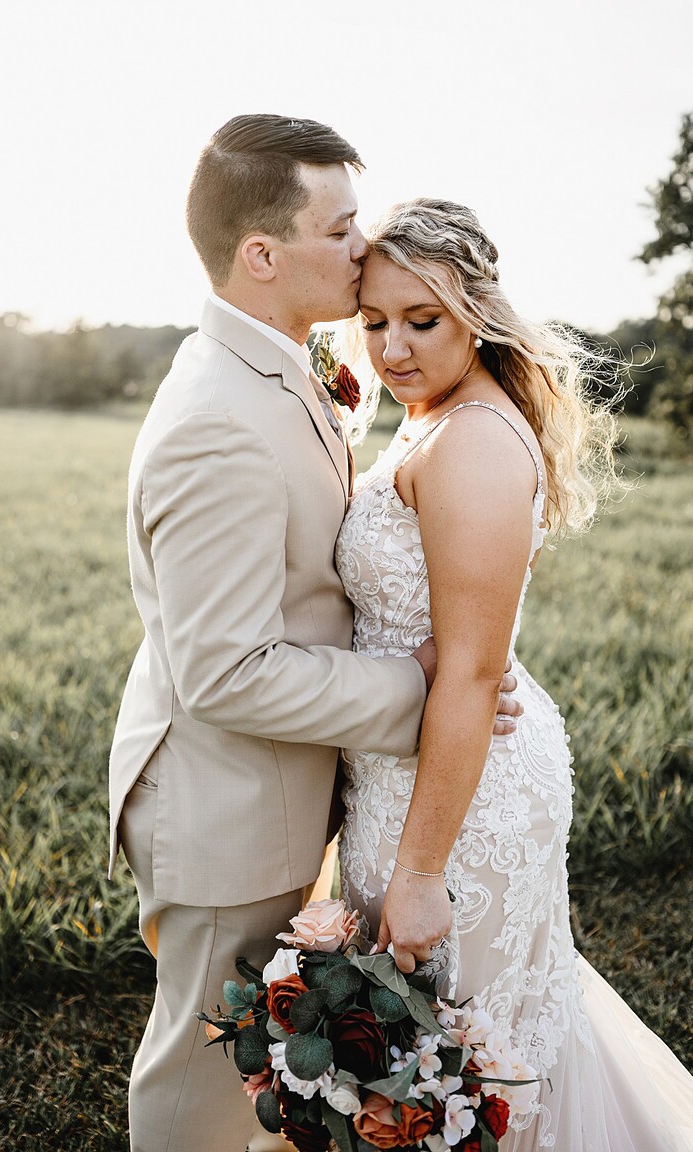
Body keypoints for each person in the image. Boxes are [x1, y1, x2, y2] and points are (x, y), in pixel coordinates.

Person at [108, 119, 523, 1152]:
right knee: (202, 1078)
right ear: (262, 255)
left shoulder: (281, 366)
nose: (361, 244)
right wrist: (418, 685)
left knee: (251, 1073)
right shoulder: (217, 417)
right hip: (224, 807)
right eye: (338, 229)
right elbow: (226, 673)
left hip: (275, 785)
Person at [334, 197, 693, 1150]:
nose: (393, 348)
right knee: (430, 1064)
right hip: (404, 771)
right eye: (374, 320)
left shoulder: (478, 441)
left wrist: (421, 872)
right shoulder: (430, 415)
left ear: (477, 314)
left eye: (423, 321)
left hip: (465, 798)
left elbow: (471, 670)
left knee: (468, 1069)